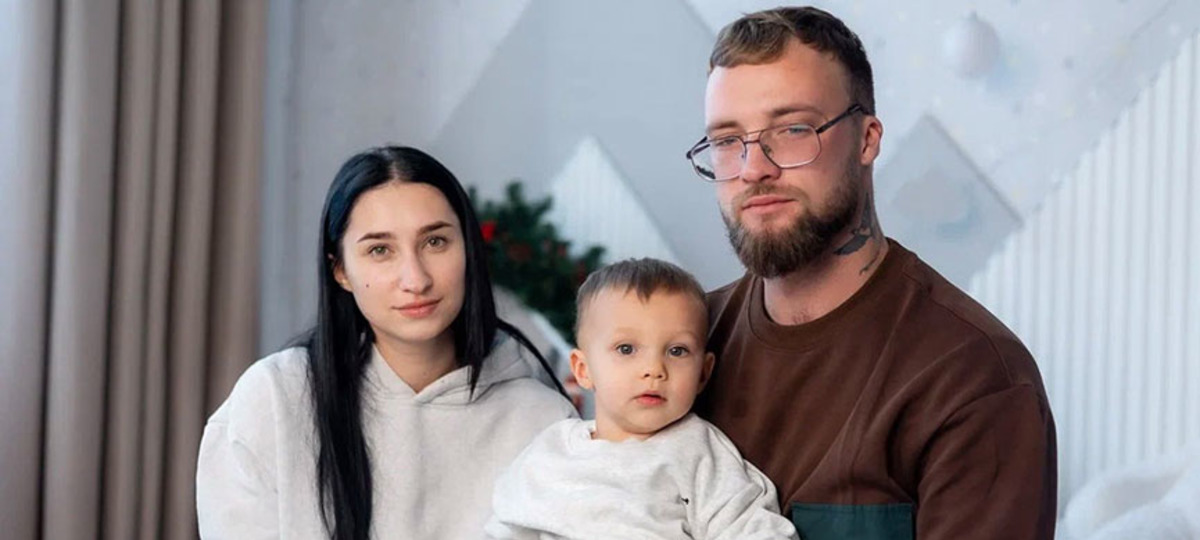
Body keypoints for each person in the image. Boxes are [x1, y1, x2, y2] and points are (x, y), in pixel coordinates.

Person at [686, 7, 1057, 539]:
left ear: (867, 140)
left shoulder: (975, 379)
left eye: (792, 130)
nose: (753, 168)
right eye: (727, 141)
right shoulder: (683, 347)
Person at [196, 146, 576, 540]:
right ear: (341, 270)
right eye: (380, 250)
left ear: (468, 248)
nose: (415, 279)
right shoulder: (272, 401)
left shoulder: (543, 421)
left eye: (435, 242)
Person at [484, 258, 798, 540]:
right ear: (583, 369)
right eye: (626, 349)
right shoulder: (550, 451)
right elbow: (504, 529)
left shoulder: (698, 453)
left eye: (677, 351)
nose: (653, 369)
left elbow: (754, 529)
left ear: (703, 373)